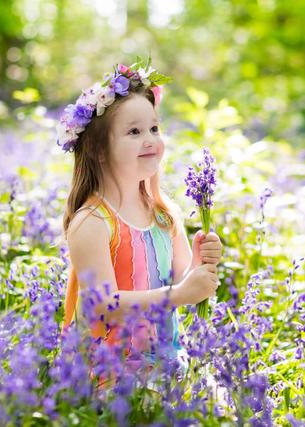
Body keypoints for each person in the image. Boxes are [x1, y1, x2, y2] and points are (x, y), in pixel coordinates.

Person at [58, 59, 223, 384]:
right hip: (111, 375)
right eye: (134, 131)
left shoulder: (164, 214)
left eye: (154, 128)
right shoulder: (92, 221)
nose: (150, 139)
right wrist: (178, 294)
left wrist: (199, 265)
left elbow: (183, 284)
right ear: (99, 150)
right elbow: (102, 306)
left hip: (167, 364)